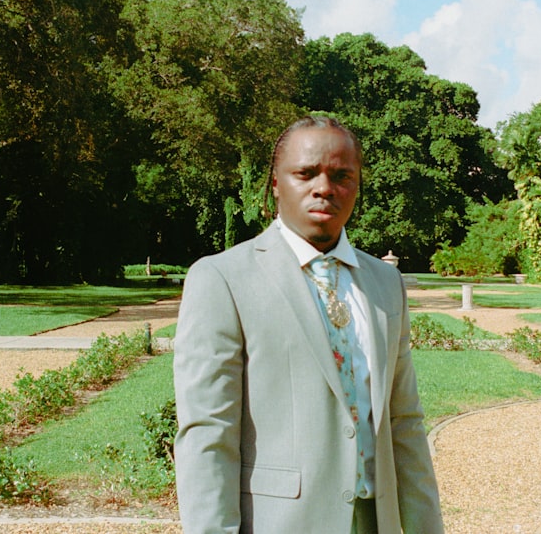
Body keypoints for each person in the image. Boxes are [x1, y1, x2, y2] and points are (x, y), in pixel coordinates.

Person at [173, 115, 444, 533]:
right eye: (305, 173)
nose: (324, 188)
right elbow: (209, 433)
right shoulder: (223, 279)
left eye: (342, 176)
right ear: (276, 184)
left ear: (356, 185)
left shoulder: (384, 283)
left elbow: (403, 421)